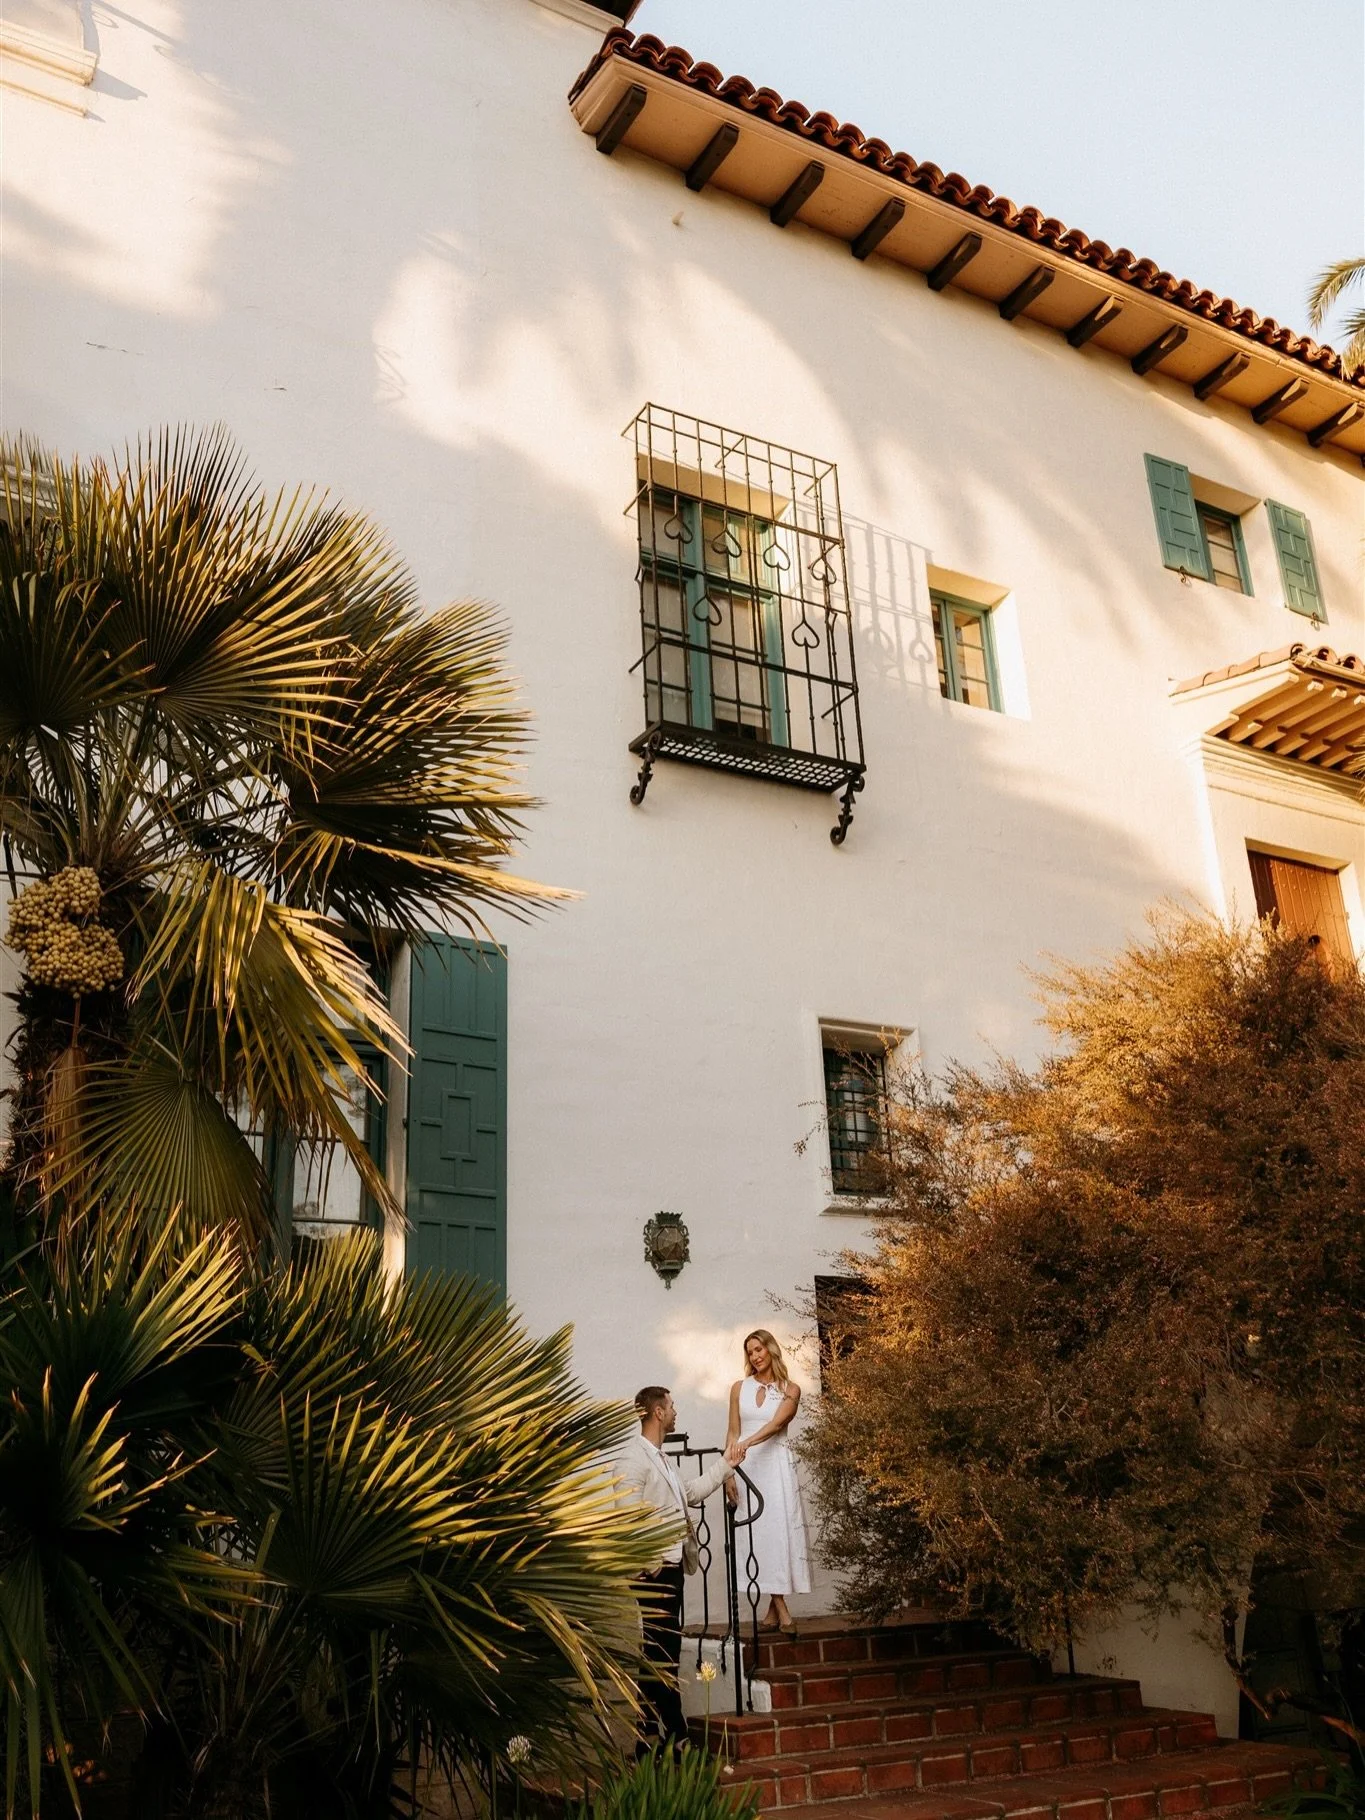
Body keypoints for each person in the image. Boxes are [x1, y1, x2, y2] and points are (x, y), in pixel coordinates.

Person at [616, 1386, 739, 1755]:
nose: (675, 1411)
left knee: (657, 1653)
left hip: (670, 1570)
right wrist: (648, 1566)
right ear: (657, 1412)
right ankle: (678, 1734)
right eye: (671, 1406)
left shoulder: (663, 1460)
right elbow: (626, 1516)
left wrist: (727, 1463)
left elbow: (691, 1491)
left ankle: (646, 1737)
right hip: (654, 1574)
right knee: (662, 1653)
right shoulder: (632, 1459)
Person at [726, 1329, 811, 1633]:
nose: (755, 1356)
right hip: (747, 1469)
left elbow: (776, 1425)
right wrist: (728, 1471)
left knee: (777, 1534)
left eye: (759, 1349)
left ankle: (779, 1609)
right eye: (750, 1352)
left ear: (771, 1349)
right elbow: (732, 1432)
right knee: (755, 1536)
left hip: (774, 1467)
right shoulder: (739, 1388)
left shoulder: (791, 1389)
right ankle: (776, 1610)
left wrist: (746, 1445)